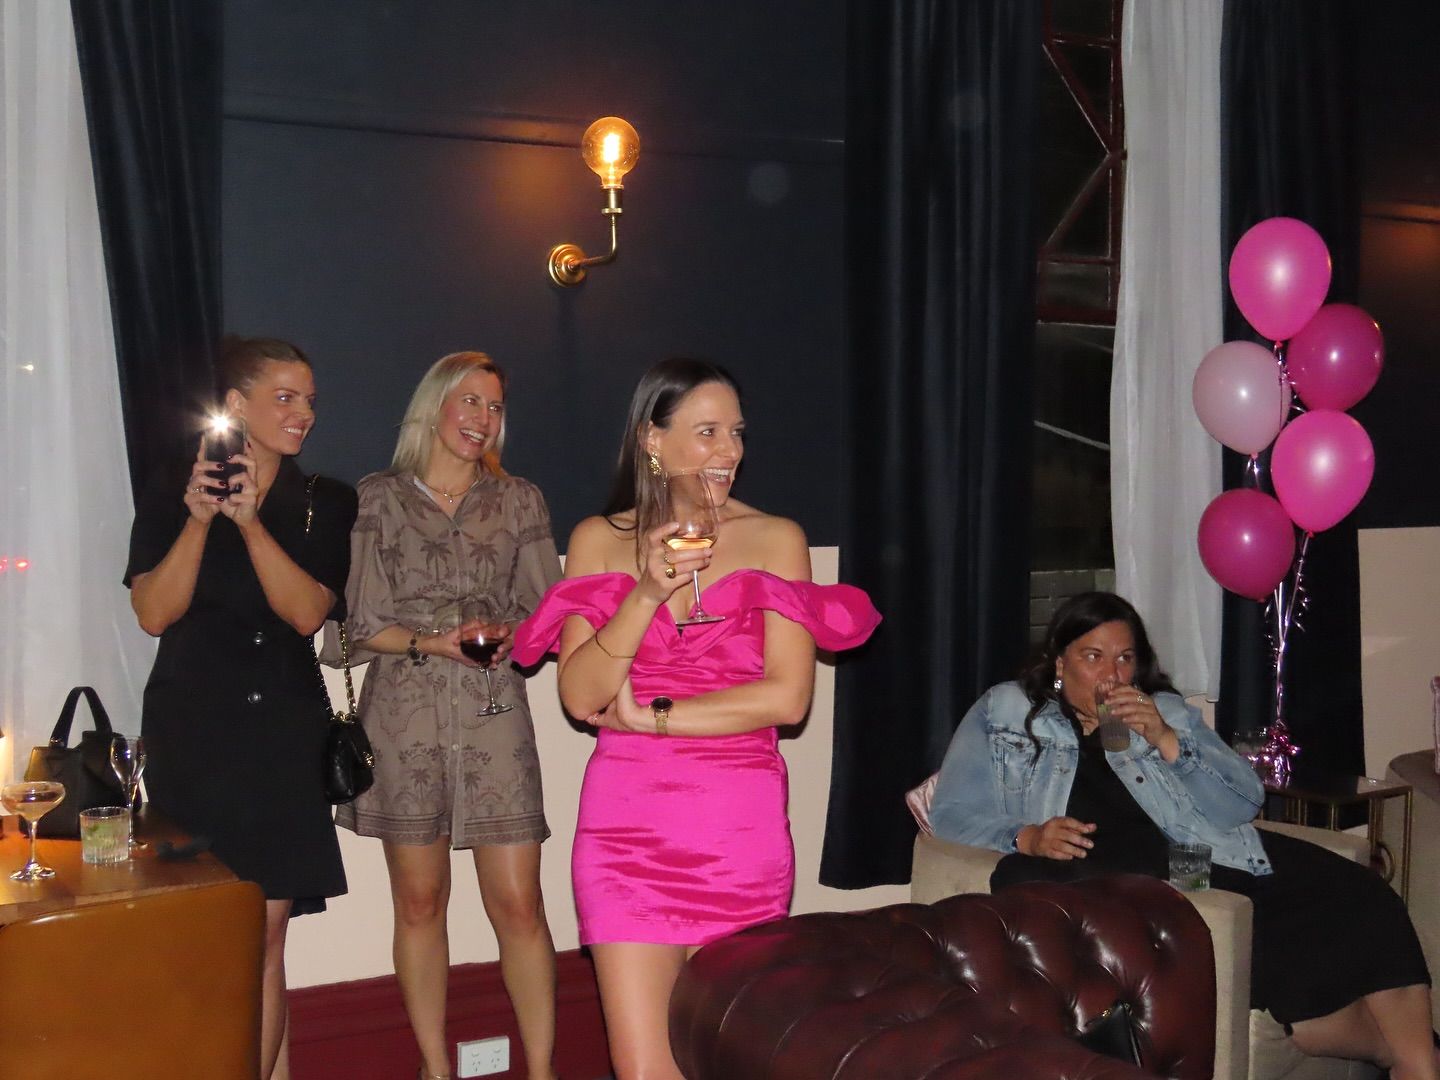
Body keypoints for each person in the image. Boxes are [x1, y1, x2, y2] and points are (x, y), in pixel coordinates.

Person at [510, 357, 881, 1080]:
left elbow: (787, 698)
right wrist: (647, 592)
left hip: (737, 831)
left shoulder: (776, 538)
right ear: (653, 440)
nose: (729, 450)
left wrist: (652, 716)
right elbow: (581, 694)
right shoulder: (597, 539)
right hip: (625, 837)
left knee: (731, 1062)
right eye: (707, 432)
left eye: (736, 433)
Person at [929, 591, 1439, 1080]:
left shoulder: (1163, 710)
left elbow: (1242, 803)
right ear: (1060, 663)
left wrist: (1166, 739)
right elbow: (951, 813)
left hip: (1189, 856)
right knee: (1270, 961)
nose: (1112, 675)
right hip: (1108, 871)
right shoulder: (1006, 711)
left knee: (1360, 889)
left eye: (1125, 658)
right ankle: (1400, 1053)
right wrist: (1027, 836)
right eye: (1093, 656)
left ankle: (1420, 1067)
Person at [126, 335, 356, 1080]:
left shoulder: (325, 501)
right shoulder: (175, 485)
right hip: (193, 736)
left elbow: (307, 613)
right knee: (205, 936)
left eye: (309, 400)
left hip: (281, 739)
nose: (303, 414)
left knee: (262, 936)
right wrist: (200, 519)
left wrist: (252, 521)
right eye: (284, 397)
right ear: (233, 404)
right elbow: (154, 613)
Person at [335, 351, 561, 1080]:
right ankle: (435, 1069)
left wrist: (511, 636)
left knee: (520, 905)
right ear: (433, 406)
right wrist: (431, 641)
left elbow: (547, 613)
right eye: (470, 401)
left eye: (494, 407)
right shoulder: (377, 498)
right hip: (405, 720)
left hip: (495, 714)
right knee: (420, 902)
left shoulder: (519, 500)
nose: (483, 419)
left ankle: (543, 1071)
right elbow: (356, 625)